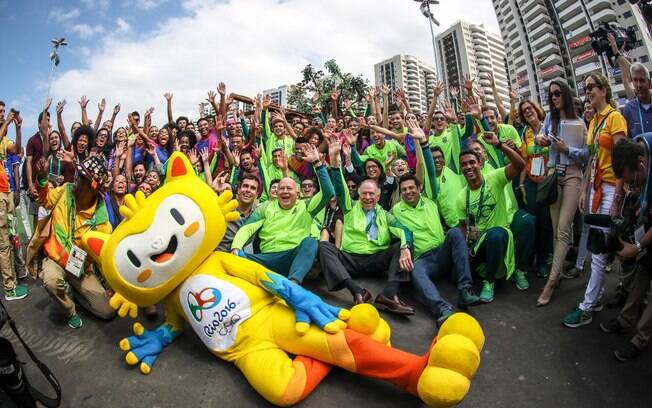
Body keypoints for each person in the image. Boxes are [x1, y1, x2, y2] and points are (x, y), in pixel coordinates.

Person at [392, 120, 479, 324]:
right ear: (400, 192)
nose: (408, 191)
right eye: (404, 189)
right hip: (423, 260)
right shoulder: (395, 210)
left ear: (419, 188)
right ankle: (442, 309)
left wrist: (423, 144)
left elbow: (429, 170)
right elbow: (395, 229)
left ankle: (465, 290)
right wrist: (405, 247)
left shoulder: (429, 198)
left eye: (412, 188)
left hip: (442, 251)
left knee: (456, 233)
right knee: (415, 271)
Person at [319, 135, 415, 315]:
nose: (368, 197)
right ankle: (357, 291)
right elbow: (339, 187)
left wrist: (405, 247)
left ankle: (389, 295)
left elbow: (405, 230)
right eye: (364, 194)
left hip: (376, 259)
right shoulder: (349, 207)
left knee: (402, 245)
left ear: (378, 197)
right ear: (359, 195)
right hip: (350, 259)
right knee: (324, 248)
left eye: (372, 194)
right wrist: (334, 163)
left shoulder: (386, 215)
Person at [563, 73, 627, 328]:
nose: (587, 91)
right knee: (597, 246)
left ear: (604, 90)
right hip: (596, 189)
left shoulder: (615, 117)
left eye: (591, 87)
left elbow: (623, 159)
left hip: (612, 188)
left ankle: (588, 306)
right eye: (585, 87)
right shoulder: (594, 122)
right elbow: (591, 159)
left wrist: (618, 196)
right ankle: (597, 296)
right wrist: (583, 191)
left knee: (600, 251)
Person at [231, 144, 332, 284]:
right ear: (276, 193)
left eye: (289, 189)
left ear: (298, 194)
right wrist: (236, 248)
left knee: (310, 243)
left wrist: (317, 164)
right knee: (239, 256)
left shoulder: (306, 206)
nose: (285, 191)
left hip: (292, 257)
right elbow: (247, 229)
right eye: (281, 188)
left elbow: (328, 192)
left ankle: (293, 283)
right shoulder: (265, 207)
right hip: (267, 259)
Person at [34, 154, 115, 328]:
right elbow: (45, 200)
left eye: (83, 178)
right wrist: (42, 178)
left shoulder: (103, 223)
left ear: (94, 186)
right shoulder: (64, 191)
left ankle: (76, 291)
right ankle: (70, 309)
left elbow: (104, 260)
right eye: (78, 174)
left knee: (108, 311)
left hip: (80, 270)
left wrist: (111, 286)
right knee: (51, 280)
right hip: (55, 260)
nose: (76, 179)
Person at [457, 131, 528, 302]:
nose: (468, 167)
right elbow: (462, 225)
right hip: (478, 243)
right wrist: (465, 248)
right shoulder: (461, 196)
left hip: (499, 235)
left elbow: (520, 165)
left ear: (480, 163)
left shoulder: (495, 178)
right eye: (464, 164)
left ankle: (489, 282)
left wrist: (499, 145)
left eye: (472, 162)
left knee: (496, 234)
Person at [535, 81, 588, 306]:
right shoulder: (550, 120)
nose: (554, 98)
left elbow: (587, 155)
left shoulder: (580, 122)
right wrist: (542, 139)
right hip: (553, 175)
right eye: (551, 95)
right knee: (557, 230)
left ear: (565, 94)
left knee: (564, 229)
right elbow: (539, 138)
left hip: (574, 175)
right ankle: (557, 273)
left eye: (557, 93)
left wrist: (569, 150)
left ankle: (552, 281)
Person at [517, 99, 553, 279]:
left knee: (546, 223)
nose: (528, 112)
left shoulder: (550, 127)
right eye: (524, 111)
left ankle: (543, 261)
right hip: (531, 182)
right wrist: (522, 184)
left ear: (536, 109)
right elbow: (524, 161)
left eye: (529, 108)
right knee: (534, 220)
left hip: (547, 182)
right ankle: (531, 260)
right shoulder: (526, 133)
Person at [0, 107, 27, 300]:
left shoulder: (4, 141)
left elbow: (17, 150)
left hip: (6, 191)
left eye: (3, 111)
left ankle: (14, 279)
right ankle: (9, 288)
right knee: (3, 243)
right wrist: (7, 122)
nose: (2, 114)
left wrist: (17, 127)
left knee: (11, 237)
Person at [217, 174, 259, 253]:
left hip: (238, 259)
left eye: (253, 188)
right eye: (245, 186)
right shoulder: (226, 206)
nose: (248, 190)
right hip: (216, 255)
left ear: (256, 195)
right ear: (238, 190)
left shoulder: (258, 215)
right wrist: (214, 190)